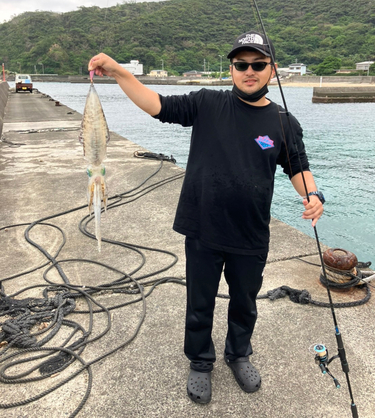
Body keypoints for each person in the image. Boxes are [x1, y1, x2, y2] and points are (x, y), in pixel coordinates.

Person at [88, 30, 324, 404]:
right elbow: (157, 105)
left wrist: (313, 195)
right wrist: (120, 73)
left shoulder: (283, 122)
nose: (249, 71)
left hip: (251, 232)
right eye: (241, 64)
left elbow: (297, 166)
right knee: (200, 300)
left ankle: (239, 353)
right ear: (231, 69)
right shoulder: (206, 103)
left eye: (258, 64)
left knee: (244, 300)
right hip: (203, 226)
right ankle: (200, 360)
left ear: (272, 70)